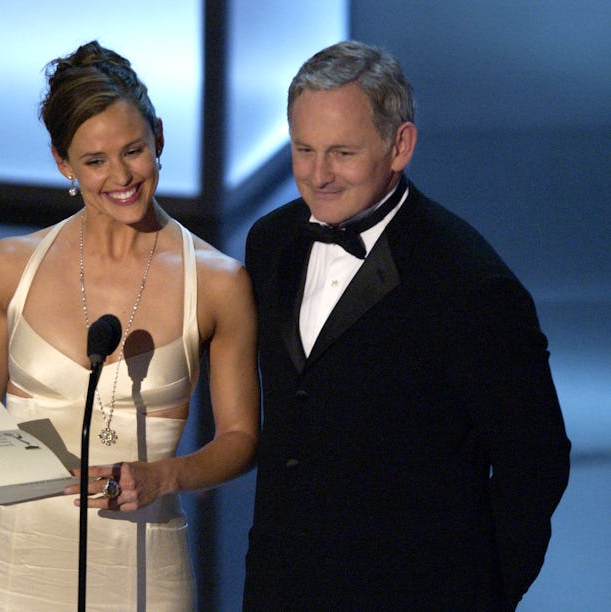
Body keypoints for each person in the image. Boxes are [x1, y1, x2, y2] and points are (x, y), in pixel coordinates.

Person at [0, 41, 259, 611]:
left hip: (144, 572)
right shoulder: (10, 264)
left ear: (159, 137)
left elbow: (241, 438)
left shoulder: (217, 281)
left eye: (133, 150)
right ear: (64, 164)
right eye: (95, 161)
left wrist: (164, 477)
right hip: (12, 572)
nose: (121, 176)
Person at [243, 40, 570, 610]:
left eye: (341, 153)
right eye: (303, 149)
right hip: (280, 586)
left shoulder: (471, 284)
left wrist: (482, 595)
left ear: (401, 146)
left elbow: (535, 462)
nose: (317, 175)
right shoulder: (270, 242)